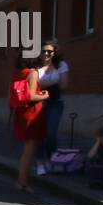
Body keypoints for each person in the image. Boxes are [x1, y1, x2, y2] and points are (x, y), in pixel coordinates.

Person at [10, 46, 50, 192]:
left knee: (27, 149)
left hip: (21, 112)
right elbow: (31, 96)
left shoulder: (18, 73)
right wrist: (45, 95)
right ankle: (22, 182)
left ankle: (22, 181)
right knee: (30, 150)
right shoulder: (32, 73)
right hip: (32, 113)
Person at [36, 41, 69, 175]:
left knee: (50, 133)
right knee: (39, 135)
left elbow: (64, 85)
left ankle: (50, 160)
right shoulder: (36, 66)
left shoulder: (61, 65)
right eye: (44, 51)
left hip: (55, 103)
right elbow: (32, 85)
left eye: (50, 51)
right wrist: (55, 81)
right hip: (38, 102)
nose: (46, 54)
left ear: (54, 53)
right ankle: (39, 163)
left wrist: (43, 83)